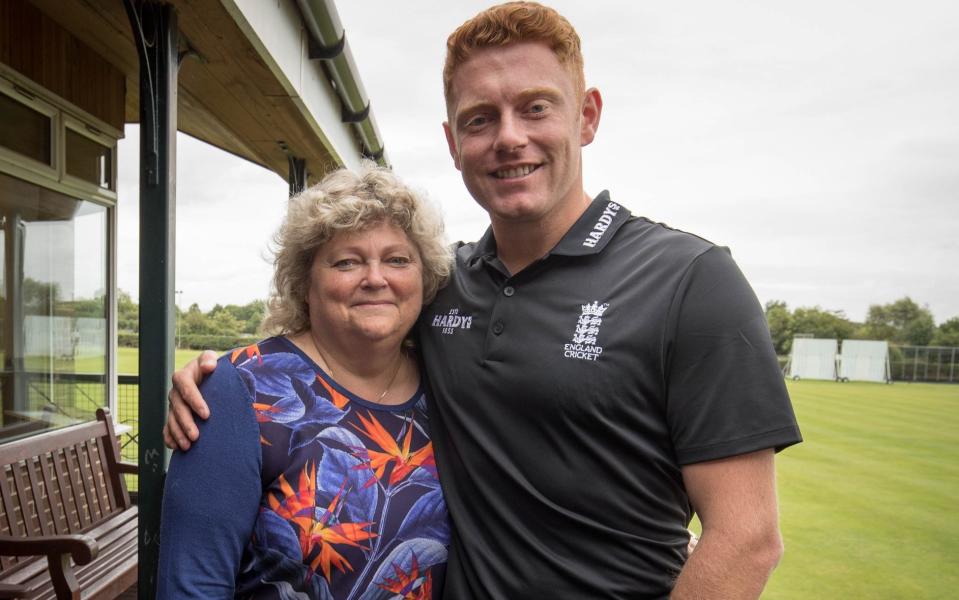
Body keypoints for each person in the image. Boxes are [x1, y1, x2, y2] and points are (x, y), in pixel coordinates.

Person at [165, 3, 802, 598]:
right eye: (480, 119)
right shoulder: (444, 286)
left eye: (536, 108)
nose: (508, 138)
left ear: (587, 116)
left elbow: (746, 540)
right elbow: (337, 351)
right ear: (452, 141)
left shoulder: (692, 280)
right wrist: (220, 384)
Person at [157, 165, 452, 598]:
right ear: (305, 281)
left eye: (397, 259)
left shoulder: (447, 383)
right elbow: (191, 585)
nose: (375, 277)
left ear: (423, 278)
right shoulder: (242, 391)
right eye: (347, 262)